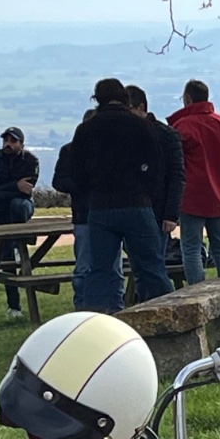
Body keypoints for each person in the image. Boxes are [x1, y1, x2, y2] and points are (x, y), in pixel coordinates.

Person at [68, 78, 172, 314]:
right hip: (136, 203)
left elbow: (76, 173)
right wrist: (147, 194)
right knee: (151, 268)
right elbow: (157, 168)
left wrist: (92, 193)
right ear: (124, 98)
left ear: (97, 99)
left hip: (100, 207)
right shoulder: (140, 126)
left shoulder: (86, 130)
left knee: (100, 272)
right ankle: (164, 318)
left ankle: (99, 322)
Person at [168, 79, 220, 285]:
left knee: (191, 247)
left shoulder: (182, 126)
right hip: (219, 195)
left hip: (192, 196)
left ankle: (197, 292)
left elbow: (176, 163)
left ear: (188, 99)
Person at [124, 84, 184, 279]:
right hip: (130, 208)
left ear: (141, 107)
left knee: (154, 264)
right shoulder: (124, 134)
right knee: (138, 265)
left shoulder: (166, 135)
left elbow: (176, 176)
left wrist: (171, 214)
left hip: (158, 210)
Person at [0, 126, 39, 321]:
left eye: (13, 141)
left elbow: (26, 191)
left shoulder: (31, 160)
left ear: (21, 144)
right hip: (0, 213)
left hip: (21, 209)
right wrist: (15, 186)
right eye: (6, 140)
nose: (8, 144)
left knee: (18, 204)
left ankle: (19, 242)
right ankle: (14, 306)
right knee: (6, 259)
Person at [53, 109, 94, 310]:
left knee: (112, 267)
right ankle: (81, 306)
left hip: (101, 212)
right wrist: (83, 185)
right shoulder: (69, 151)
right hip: (84, 215)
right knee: (84, 267)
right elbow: (59, 181)